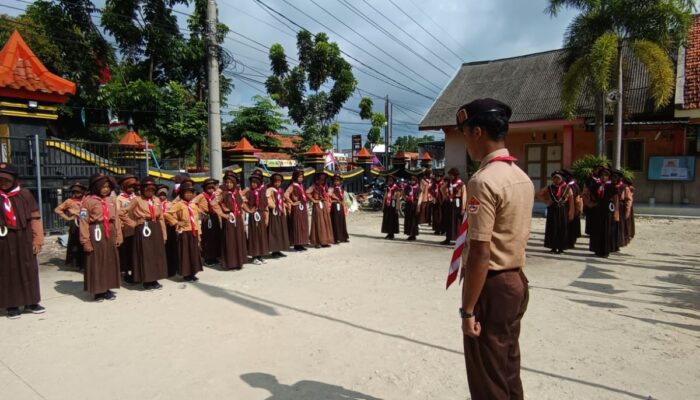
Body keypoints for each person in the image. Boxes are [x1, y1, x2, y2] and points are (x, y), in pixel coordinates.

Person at [456, 99, 533, 400]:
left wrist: (467, 311)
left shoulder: (483, 180)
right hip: (515, 281)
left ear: (477, 132)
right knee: (507, 367)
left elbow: (479, 253)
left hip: (490, 285)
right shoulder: (521, 176)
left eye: (464, 133)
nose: (465, 141)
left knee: (487, 375)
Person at [0, 163, 45, 318]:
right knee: (7, 271)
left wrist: (37, 239)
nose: (3, 183)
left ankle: (31, 302)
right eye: (0, 180)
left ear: (14, 179)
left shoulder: (24, 194)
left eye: (6, 180)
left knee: (28, 269)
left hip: (24, 238)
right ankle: (11, 304)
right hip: (4, 240)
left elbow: (35, 218)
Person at [80, 173, 123, 302]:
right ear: (95, 187)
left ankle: (108, 287)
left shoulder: (111, 201)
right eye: (103, 187)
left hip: (109, 231)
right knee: (97, 260)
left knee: (109, 259)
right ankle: (98, 290)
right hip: (96, 232)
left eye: (108, 187)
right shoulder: (87, 202)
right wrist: (85, 241)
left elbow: (116, 219)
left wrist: (119, 235)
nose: (106, 189)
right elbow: (83, 222)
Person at [127, 177, 168, 289]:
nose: (150, 192)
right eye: (147, 189)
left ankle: (155, 278)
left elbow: (161, 218)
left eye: (152, 190)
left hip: (155, 228)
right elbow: (122, 212)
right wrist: (133, 223)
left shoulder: (157, 200)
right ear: (142, 189)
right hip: (143, 228)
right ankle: (146, 279)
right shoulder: (137, 200)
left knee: (156, 253)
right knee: (146, 254)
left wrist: (164, 234)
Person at [165, 181, 203, 281]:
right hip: (184, 232)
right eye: (186, 193)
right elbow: (167, 214)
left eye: (191, 192)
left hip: (193, 231)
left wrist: (199, 234)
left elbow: (196, 220)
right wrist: (177, 222)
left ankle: (193, 272)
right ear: (182, 194)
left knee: (194, 252)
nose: (189, 194)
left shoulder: (193, 205)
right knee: (185, 253)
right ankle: (186, 274)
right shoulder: (179, 204)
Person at [215, 172, 247, 270]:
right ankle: (230, 263)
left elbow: (241, 204)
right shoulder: (223, 194)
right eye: (227, 182)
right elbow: (213, 204)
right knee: (230, 240)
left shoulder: (237, 192)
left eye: (231, 183)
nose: (229, 184)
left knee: (238, 239)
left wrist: (246, 213)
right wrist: (223, 214)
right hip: (229, 219)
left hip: (238, 218)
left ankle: (239, 262)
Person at [536, 171, 574, 254]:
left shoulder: (567, 188)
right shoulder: (549, 187)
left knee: (562, 227)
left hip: (562, 209)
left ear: (562, 179)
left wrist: (571, 211)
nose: (556, 180)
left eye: (558, 178)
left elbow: (571, 199)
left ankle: (561, 247)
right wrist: (546, 201)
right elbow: (539, 194)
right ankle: (553, 247)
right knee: (552, 227)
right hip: (552, 209)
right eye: (554, 178)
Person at [583, 167, 617, 258]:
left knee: (606, 229)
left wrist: (616, 212)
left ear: (608, 177)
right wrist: (589, 203)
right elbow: (585, 194)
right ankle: (597, 249)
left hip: (607, 209)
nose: (603, 177)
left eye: (605, 175)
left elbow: (616, 199)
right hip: (597, 209)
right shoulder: (595, 185)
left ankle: (606, 250)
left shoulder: (612, 186)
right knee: (597, 229)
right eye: (602, 175)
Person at [55, 182, 87, 270]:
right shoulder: (69, 201)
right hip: (75, 224)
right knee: (75, 242)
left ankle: (85, 263)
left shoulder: (86, 200)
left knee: (85, 242)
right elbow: (58, 210)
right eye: (74, 192)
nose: (76, 194)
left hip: (85, 223)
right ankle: (75, 263)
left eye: (78, 192)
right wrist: (67, 218)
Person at [243, 173, 270, 264]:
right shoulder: (248, 192)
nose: (253, 184)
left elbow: (266, 205)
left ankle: (260, 255)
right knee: (254, 235)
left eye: (255, 182)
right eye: (251, 182)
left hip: (261, 215)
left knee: (261, 235)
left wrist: (266, 217)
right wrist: (249, 210)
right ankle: (254, 256)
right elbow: (241, 202)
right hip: (253, 216)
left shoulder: (262, 192)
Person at [116, 174, 138, 283]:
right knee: (126, 252)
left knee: (135, 252)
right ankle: (125, 272)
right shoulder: (119, 199)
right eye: (129, 187)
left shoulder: (136, 197)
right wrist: (130, 223)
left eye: (133, 187)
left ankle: (135, 271)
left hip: (137, 229)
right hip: (125, 229)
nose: (132, 189)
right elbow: (118, 214)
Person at [196, 178, 222, 266]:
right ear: (205, 188)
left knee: (215, 237)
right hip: (207, 218)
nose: (211, 190)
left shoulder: (216, 196)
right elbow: (193, 203)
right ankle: (208, 258)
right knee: (207, 238)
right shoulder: (201, 196)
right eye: (208, 188)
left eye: (212, 188)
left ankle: (214, 257)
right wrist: (200, 210)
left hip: (215, 217)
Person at [157, 184, 179, 278]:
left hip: (170, 227)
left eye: (164, 195)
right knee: (160, 249)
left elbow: (174, 215)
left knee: (171, 248)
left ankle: (171, 270)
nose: (162, 197)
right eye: (160, 195)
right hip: (159, 227)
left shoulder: (170, 204)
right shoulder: (155, 204)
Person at [285, 169, 310, 252]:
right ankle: (297, 245)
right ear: (296, 177)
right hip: (296, 208)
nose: (301, 178)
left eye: (302, 177)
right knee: (297, 225)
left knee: (303, 224)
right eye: (299, 177)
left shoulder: (301, 185)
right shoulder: (292, 185)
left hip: (302, 206)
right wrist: (292, 203)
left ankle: (302, 243)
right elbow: (286, 195)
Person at [307, 172, 334, 248]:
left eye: (323, 179)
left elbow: (327, 194)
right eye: (320, 179)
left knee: (325, 221)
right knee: (319, 222)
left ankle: (325, 241)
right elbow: (307, 193)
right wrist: (313, 200)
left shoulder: (325, 186)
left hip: (324, 204)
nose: (321, 181)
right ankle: (317, 241)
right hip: (318, 204)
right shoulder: (314, 186)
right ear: (317, 179)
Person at [267, 173, 291, 257]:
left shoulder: (281, 190)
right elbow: (268, 199)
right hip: (274, 213)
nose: (277, 183)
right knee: (275, 231)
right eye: (276, 182)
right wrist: (273, 206)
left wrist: (285, 207)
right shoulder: (270, 189)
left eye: (279, 182)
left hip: (280, 212)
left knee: (281, 230)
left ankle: (279, 249)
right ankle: (274, 250)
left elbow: (283, 199)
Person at [441, 167, 467, 245]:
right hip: (449, 203)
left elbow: (464, 196)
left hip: (457, 204)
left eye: (451, 175)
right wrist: (446, 196)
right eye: (449, 175)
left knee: (457, 222)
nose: (450, 176)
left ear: (455, 175)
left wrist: (463, 208)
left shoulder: (461, 184)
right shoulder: (449, 183)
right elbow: (442, 188)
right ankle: (448, 238)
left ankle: (458, 240)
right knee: (448, 221)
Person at [562, 170, 582, 250]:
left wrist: (577, 209)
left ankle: (570, 243)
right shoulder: (575, 185)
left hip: (570, 208)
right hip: (570, 208)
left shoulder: (571, 186)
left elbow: (578, 199)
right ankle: (570, 242)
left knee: (570, 226)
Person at [329, 174, 349, 243]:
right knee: (335, 221)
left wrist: (343, 203)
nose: (336, 182)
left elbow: (342, 197)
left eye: (338, 180)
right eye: (335, 180)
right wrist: (335, 199)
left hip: (340, 206)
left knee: (342, 221)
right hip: (334, 206)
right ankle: (336, 237)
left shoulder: (341, 188)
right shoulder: (331, 188)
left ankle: (343, 237)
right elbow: (329, 197)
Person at [381, 175, 401, 240]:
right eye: (388, 180)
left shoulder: (396, 188)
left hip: (393, 206)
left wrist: (397, 208)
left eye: (390, 180)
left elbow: (398, 199)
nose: (389, 182)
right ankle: (388, 233)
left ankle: (392, 234)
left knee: (392, 220)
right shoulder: (387, 188)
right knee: (387, 220)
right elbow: (385, 197)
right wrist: (383, 206)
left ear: (393, 181)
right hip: (388, 205)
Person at [403, 174, 421, 241]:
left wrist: (418, 206)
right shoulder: (407, 187)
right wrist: (405, 198)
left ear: (415, 181)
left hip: (415, 205)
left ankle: (414, 234)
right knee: (409, 220)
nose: (412, 181)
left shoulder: (418, 188)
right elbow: (403, 194)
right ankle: (410, 234)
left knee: (414, 220)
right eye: (411, 180)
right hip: (408, 205)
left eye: (413, 180)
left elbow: (420, 197)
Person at [431, 171, 445, 235]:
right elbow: (430, 190)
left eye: (439, 176)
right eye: (436, 176)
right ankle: (436, 229)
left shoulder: (443, 183)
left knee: (442, 216)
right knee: (436, 216)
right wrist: (432, 196)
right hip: (436, 201)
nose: (437, 177)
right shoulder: (434, 184)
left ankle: (442, 229)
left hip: (442, 201)